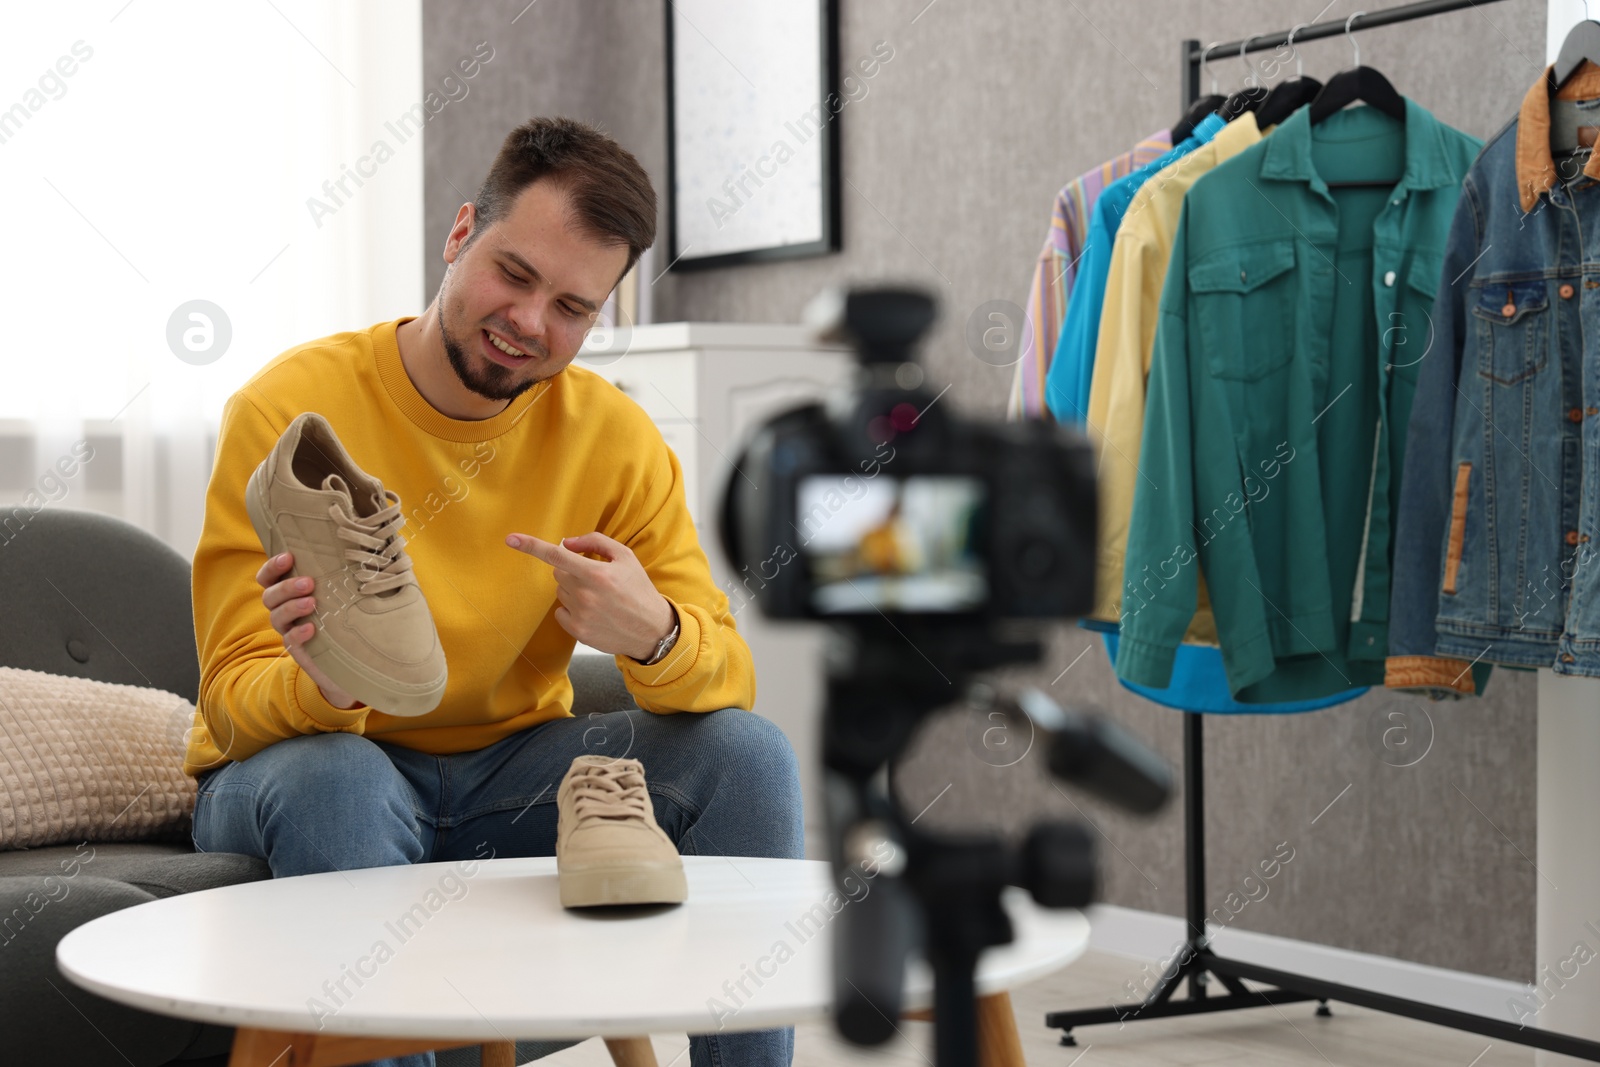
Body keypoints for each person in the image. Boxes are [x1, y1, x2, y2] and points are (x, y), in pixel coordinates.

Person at [183, 116, 804, 1067]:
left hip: (510, 776)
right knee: (339, 779)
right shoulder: (288, 409)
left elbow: (730, 677)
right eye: (513, 274)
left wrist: (654, 635)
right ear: (460, 232)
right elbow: (229, 706)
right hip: (304, 772)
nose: (530, 324)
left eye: (572, 306)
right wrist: (330, 687)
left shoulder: (614, 439)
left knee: (749, 757)